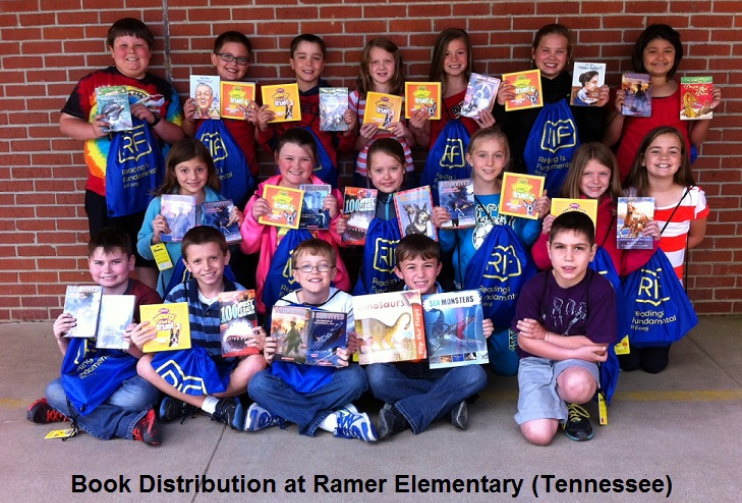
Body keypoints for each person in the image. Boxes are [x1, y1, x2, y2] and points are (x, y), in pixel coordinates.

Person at [59, 18, 184, 289]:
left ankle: (154, 313)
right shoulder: (93, 83)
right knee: (109, 259)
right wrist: (94, 129)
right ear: (111, 50)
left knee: (150, 257)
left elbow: (180, 137)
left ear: (150, 52)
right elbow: (66, 123)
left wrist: (153, 119)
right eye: (123, 45)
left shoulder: (163, 90)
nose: (131, 51)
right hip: (104, 192)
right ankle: (117, 321)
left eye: (139, 46)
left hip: (151, 192)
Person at [27, 228, 163, 445]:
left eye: (115, 261)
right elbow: (75, 362)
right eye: (99, 263)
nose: (107, 270)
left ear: (130, 262)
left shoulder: (148, 298)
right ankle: (130, 425)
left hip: (129, 376)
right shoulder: (84, 301)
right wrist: (62, 338)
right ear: (89, 264)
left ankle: (72, 410)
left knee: (138, 397)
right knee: (53, 389)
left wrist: (131, 345)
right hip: (97, 372)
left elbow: (158, 360)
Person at [432, 128, 548, 376]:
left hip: (508, 290)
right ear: (469, 158)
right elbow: (447, 247)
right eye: (482, 155)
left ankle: (494, 345)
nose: (490, 162)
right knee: (466, 364)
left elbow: (524, 240)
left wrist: (537, 216)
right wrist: (442, 226)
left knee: (509, 367)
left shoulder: (517, 190)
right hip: (470, 290)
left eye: (497, 155)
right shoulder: (459, 195)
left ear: (506, 159)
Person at [134, 227, 266, 430]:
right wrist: (145, 340)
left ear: (226, 257)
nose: (207, 267)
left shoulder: (238, 296)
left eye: (213, 258)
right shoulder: (178, 295)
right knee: (144, 363)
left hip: (224, 369)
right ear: (187, 265)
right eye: (197, 261)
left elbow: (243, 356)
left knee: (257, 362)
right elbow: (164, 347)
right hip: (188, 367)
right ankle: (213, 405)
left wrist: (256, 345)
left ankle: (188, 400)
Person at [244, 239, 376, 442]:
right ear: (295, 275)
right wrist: (269, 353)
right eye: (306, 267)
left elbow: (348, 353)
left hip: (327, 380)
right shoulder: (284, 304)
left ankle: (280, 411)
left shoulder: (347, 302)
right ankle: (331, 420)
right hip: (288, 379)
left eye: (323, 266)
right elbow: (275, 354)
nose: (314, 272)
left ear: (333, 273)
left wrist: (349, 352)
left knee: (357, 379)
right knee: (257, 384)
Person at [365, 234, 491, 439]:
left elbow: (470, 347)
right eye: (411, 267)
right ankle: (448, 403)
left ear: (439, 268)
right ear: (398, 271)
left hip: (445, 372)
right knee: (375, 376)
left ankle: (400, 412)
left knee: (476, 374)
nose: (421, 274)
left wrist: (481, 332)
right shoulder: (385, 300)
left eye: (428, 265)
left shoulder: (456, 296)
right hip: (403, 373)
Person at [513, 211, 617, 445]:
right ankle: (550, 404)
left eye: (579, 248)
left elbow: (598, 346)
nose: (569, 257)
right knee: (539, 435)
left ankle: (572, 405)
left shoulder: (601, 289)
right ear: (549, 250)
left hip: (576, 365)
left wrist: (546, 335)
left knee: (577, 386)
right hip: (535, 360)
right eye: (561, 247)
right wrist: (576, 351)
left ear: (592, 252)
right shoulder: (534, 287)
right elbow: (525, 342)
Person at [621, 125, 709, 373]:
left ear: (682, 159)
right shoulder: (631, 197)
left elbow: (697, 236)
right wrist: (648, 249)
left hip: (669, 287)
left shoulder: (692, 197)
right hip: (636, 286)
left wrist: (662, 251)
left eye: (673, 151)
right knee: (628, 364)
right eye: (656, 151)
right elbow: (630, 248)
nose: (664, 157)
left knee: (654, 366)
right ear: (642, 159)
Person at [240, 128, 350, 315]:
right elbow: (247, 247)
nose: (296, 166)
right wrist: (254, 219)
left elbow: (346, 241)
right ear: (276, 158)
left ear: (315, 160)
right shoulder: (261, 197)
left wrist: (334, 218)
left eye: (304, 159)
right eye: (289, 158)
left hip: (321, 281)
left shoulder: (330, 196)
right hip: (275, 281)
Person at [494, 24, 608, 196]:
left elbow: (593, 137)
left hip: (573, 185)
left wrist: (597, 109)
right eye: (545, 50)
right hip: (526, 184)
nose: (552, 57)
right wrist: (501, 105)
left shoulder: (581, 89)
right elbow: (507, 138)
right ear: (533, 53)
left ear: (568, 55)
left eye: (559, 51)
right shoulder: (519, 89)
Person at [603, 24, 723, 180]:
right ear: (641, 55)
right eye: (652, 51)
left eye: (667, 51)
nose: (660, 57)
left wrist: (708, 109)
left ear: (676, 56)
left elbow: (696, 140)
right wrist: (621, 112)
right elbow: (608, 140)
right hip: (631, 175)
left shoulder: (688, 92)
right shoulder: (628, 90)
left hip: (672, 176)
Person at [531, 142, 659, 275]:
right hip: (569, 290)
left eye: (603, 174)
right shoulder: (560, 208)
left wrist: (649, 242)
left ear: (612, 176)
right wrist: (546, 234)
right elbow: (541, 262)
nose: (595, 181)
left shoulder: (627, 210)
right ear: (576, 175)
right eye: (587, 174)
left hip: (607, 289)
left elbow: (624, 266)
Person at [137, 138, 243, 295]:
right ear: (173, 171)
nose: (193, 177)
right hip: (172, 284)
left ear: (208, 169)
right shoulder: (159, 205)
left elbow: (230, 250)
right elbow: (142, 251)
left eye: (199, 169)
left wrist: (238, 227)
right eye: (184, 170)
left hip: (213, 285)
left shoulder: (220, 203)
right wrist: (155, 238)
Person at [255, 34, 356, 188]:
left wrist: (348, 131)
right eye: (302, 57)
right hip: (289, 182)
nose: (309, 63)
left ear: (323, 64)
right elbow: (272, 148)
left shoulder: (332, 98)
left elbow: (343, 148)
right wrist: (263, 127)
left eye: (316, 58)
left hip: (326, 181)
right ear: (292, 63)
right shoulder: (280, 97)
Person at [409, 28, 495, 172]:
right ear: (438, 58)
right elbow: (426, 143)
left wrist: (487, 130)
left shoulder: (481, 90)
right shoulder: (430, 95)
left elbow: (488, 145)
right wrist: (418, 131)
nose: (454, 59)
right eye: (446, 54)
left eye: (460, 53)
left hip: (473, 172)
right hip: (439, 172)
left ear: (468, 55)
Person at [348, 37, 416, 187]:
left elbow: (414, 143)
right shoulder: (355, 99)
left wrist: (406, 133)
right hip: (367, 170)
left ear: (396, 65)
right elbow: (348, 146)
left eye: (387, 61)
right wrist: (363, 139)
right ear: (367, 67)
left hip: (402, 169)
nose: (382, 67)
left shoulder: (407, 98)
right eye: (375, 62)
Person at [352, 138, 409, 295]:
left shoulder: (416, 202)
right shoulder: (359, 202)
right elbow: (353, 250)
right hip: (369, 286)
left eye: (393, 168)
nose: (386, 177)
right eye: (379, 170)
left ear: (404, 168)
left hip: (408, 288)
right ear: (369, 172)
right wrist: (342, 229)